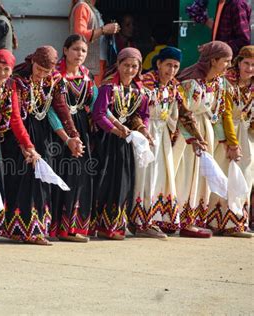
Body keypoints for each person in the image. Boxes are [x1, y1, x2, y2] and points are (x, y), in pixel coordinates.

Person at [6, 46, 83, 245]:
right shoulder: (18, 80)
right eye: (38, 69)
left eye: (46, 71)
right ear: (33, 62)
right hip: (21, 132)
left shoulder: (55, 80)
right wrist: (25, 144)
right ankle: (21, 229)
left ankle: (37, 228)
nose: (41, 74)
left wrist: (72, 136)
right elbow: (15, 115)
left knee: (42, 179)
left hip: (44, 134)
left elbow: (60, 108)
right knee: (23, 179)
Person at [131, 47, 206, 238]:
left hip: (163, 137)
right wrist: (143, 131)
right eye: (168, 65)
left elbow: (184, 114)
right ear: (158, 64)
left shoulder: (173, 86)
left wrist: (197, 137)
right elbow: (134, 112)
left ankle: (156, 220)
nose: (171, 70)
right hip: (145, 135)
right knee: (146, 177)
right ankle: (141, 223)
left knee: (161, 178)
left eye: (175, 66)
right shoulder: (145, 83)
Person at [176, 41, 243, 238]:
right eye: (225, 61)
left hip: (206, 133)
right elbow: (181, 113)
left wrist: (226, 143)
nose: (228, 66)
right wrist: (194, 138)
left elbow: (219, 114)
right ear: (213, 60)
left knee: (202, 178)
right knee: (188, 176)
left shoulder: (220, 83)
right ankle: (182, 221)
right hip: (187, 136)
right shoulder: (191, 82)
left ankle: (194, 220)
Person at [0, 49, 40, 241]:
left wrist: (28, 146)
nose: (2, 73)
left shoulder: (10, 86)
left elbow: (15, 119)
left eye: (7, 69)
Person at [91, 47, 152, 240]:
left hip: (126, 141)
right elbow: (99, 113)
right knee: (106, 181)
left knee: (124, 182)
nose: (130, 70)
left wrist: (143, 130)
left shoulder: (139, 91)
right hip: (107, 140)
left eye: (134, 66)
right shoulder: (109, 87)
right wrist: (116, 130)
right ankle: (100, 225)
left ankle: (115, 225)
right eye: (126, 65)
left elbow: (141, 115)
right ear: (118, 64)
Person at [48, 35, 97, 242]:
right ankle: (56, 227)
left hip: (81, 129)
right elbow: (52, 109)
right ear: (65, 50)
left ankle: (73, 227)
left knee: (80, 177)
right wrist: (67, 137)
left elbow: (96, 105)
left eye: (83, 51)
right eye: (76, 49)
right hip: (59, 132)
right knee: (63, 176)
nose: (80, 54)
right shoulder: (55, 76)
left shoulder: (87, 76)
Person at [211, 45, 253, 237]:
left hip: (247, 136)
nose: (250, 69)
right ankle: (216, 221)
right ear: (238, 62)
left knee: (245, 175)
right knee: (222, 174)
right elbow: (225, 113)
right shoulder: (226, 82)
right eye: (246, 63)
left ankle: (237, 222)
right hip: (226, 134)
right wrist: (232, 143)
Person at [69, 0, 119, 86]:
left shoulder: (91, 8)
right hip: (88, 67)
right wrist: (104, 30)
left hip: (97, 66)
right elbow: (80, 36)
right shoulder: (82, 6)